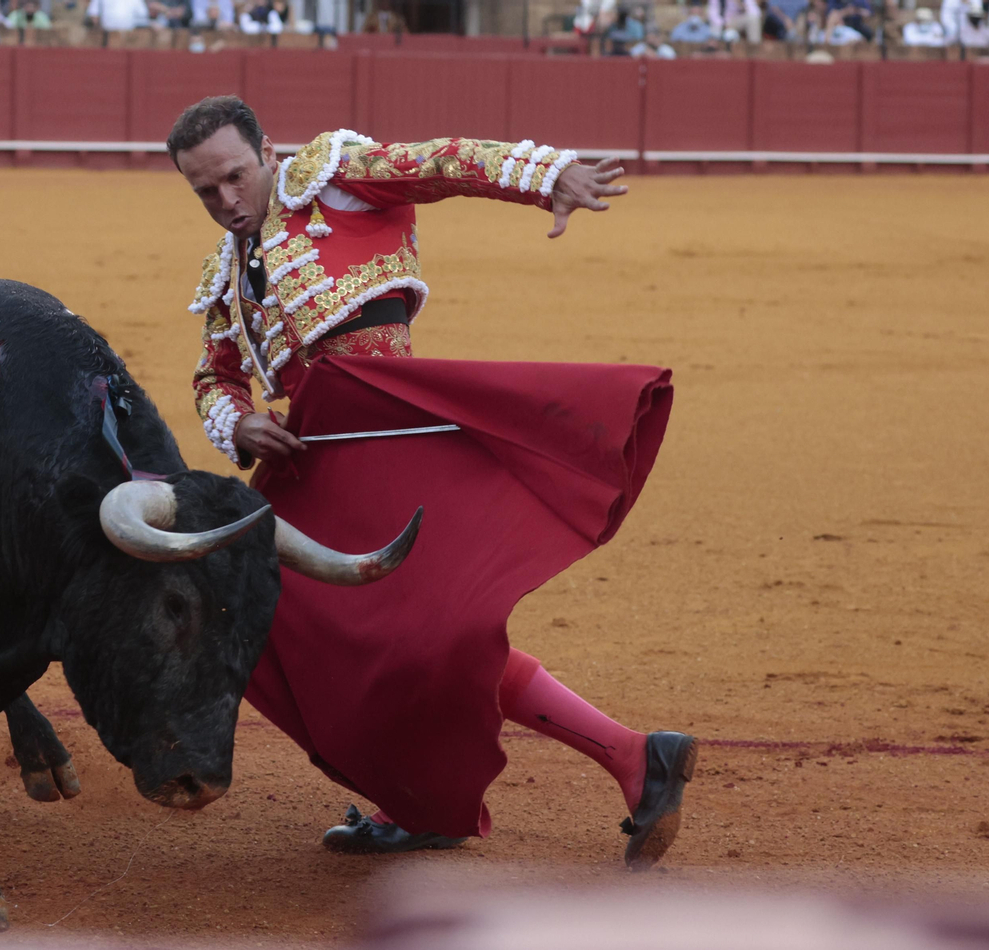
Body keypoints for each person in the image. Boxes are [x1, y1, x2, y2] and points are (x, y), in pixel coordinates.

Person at [169, 96, 695, 866]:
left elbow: (445, 162)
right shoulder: (225, 276)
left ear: (268, 153)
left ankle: (557, 772)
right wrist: (239, 423)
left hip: (391, 435)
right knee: (301, 630)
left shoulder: (332, 178)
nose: (226, 202)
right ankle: (562, 770)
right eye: (205, 192)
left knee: (417, 641)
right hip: (314, 465)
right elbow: (212, 376)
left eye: (234, 178)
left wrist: (546, 175)